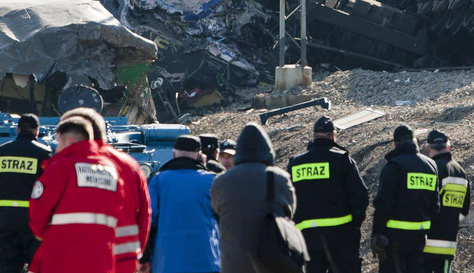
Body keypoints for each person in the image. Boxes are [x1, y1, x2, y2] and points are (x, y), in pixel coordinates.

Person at [61, 107, 152, 273]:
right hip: (122, 259)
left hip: (74, 258)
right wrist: (140, 254)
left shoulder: (62, 165)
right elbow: (144, 215)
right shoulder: (130, 166)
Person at [28, 117, 124, 273]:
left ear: (70, 140)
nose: (57, 148)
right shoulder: (111, 170)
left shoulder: (60, 167)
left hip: (63, 257)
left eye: (59, 142)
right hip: (102, 259)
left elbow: (38, 213)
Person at [210, 123, 298, 273]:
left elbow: (216, 209)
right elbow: (290, 209)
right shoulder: (279, 178)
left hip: (234, 263)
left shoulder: (221, 181)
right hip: (271, 260)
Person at [288, 116, 369, 273]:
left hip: (308, 238)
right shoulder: (342, 160)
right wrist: (355, 224)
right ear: (333, 135)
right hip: (341, 237)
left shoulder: (296, 164)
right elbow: (360, 196)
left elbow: (287, 200)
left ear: (313, 136)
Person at [0, 113, 53, 273]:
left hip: (6, 218)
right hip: (33, 218)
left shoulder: (1, 151)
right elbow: (51, 187)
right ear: (37, 131)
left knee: (10, 264)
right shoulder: (44, 153)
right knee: (37, 264)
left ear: (18, 130)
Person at [140, 135, 219, 273]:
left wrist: (144, 258)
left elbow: (149, 223)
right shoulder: (211, 180)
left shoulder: (158, 181)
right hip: (207, 259)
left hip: (166, 261)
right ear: (199, 156)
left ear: (174, 154)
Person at [372, 124, 440, 273]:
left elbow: (383, 204)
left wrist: (377, 233)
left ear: (395, 144)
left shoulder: (394, 166)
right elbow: (435, 206)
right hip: (420, 239)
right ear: (415, 140)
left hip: (394, 239)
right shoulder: (431, 166)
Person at [423, 129, 470, 273]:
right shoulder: (460, 171)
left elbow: (423, 204)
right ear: (448, 147)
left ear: (428, 149)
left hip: (426, 242)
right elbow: (464, 209)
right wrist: (451, 221)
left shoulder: (430, 169)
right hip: (448, 243)